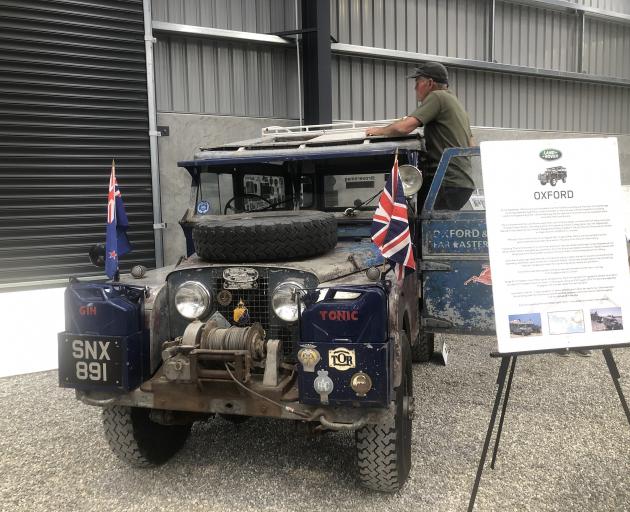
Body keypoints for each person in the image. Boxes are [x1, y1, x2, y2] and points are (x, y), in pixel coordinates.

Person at [366, 61, 475, 210]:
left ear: (430, 83)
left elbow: (405, 127)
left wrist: (379, 131)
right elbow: (471, 145)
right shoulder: (456, 104)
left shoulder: (438, 96)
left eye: (418, 82)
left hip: (446, 182)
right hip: (462, 183)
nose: (415, 87)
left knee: (425, 228)